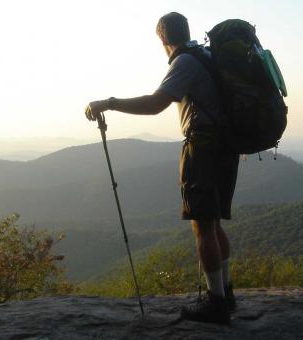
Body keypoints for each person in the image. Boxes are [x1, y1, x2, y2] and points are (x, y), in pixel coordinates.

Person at [85, 12, 240, 325]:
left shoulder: (184, 62)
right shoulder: (207, 55)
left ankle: (217, 303)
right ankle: (226, 292)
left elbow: (156, 104)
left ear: (163, 38)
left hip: (203, 148)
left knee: (203, 225)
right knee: (215, 222)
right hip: (227, 147)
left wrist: (109, 102)